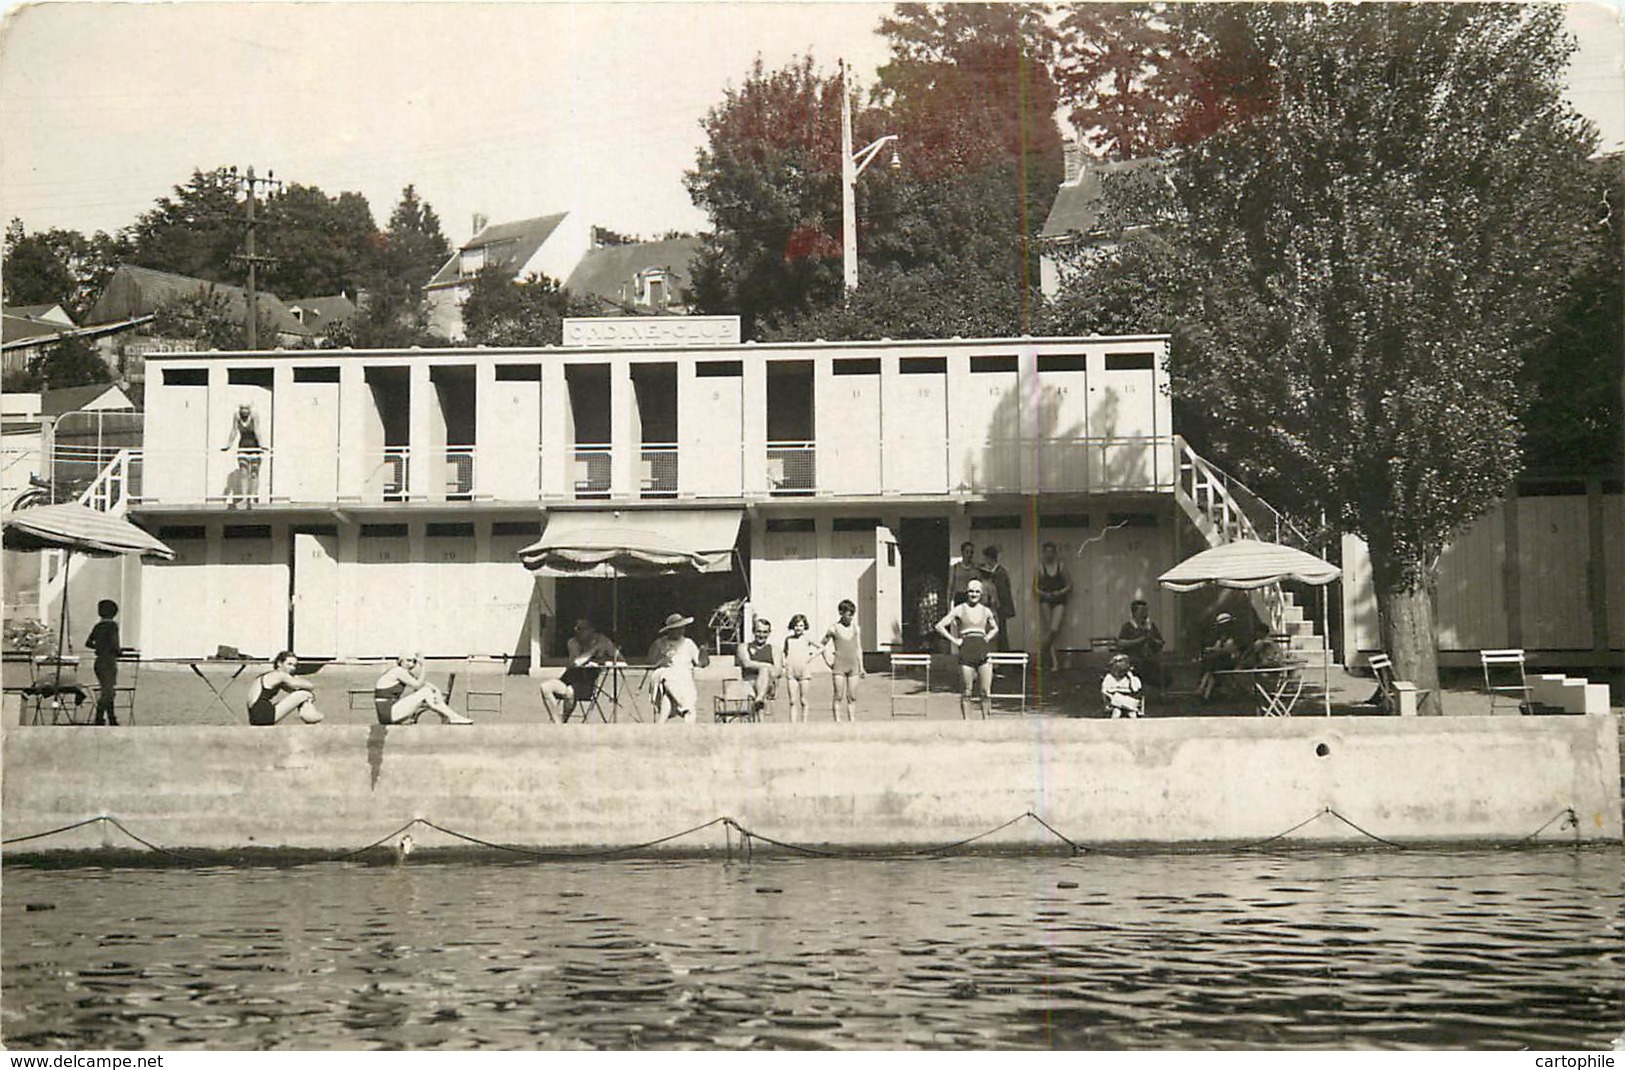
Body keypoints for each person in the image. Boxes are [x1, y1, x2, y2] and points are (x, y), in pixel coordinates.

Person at [937, 578, 1000, 719]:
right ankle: (967, 723)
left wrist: (987, 638)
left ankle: (986, 721)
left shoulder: (986, 611)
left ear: (981, 593)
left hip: (982, 651)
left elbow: (995, 628)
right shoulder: (960, 609)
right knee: (967, 691)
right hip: (966, 651)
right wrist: (955, 641)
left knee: (985, 691)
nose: (974, 594)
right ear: (967, 592)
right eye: (971, 591)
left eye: (977, 591)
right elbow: (940, 626)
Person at [540, 619, 620, 722]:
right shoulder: (573, 642)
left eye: (581, 629)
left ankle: (564, 720)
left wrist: (602, 662)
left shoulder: (604, 642)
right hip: (569, 677)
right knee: (545, 687)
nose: (576, 631)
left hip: (586, 682)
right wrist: (594, 650)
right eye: (576, 628)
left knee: (570, 691)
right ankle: (557, 723)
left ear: (591, 630)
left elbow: (621, 660)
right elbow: (577, 662)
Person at [374, 654, 473, 725]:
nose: (411, 664)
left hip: (389, 714)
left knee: (427, 691)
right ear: (401, 661)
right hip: (388, 714)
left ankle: (449, 716)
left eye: (414, 661)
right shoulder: (398, 671)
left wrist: (436, 690)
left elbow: (423, 684)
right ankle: (451, 717)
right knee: (425, 692)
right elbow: (417, 685)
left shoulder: (403, 673)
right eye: (408, 660)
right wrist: (424, 666)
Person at [647, 612, 709, 724]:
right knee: (669, 678)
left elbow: (701, 663)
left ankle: (660, 723)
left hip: (683, 676)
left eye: (682, 628)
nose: (680, 631)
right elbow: (650, 662)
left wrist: (703, 651)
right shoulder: (660, 643)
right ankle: (686, 707)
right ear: (670, 630)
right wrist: (662, 660)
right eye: (677, 629)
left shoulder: (688, 643)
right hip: (664, 673)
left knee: (669, 696)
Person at [246, 651, 324, 726]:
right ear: (279, 663)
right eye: (289, 664)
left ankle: (309, 714)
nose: (292, 668)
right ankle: (310, 716)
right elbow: (310, 686)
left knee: (303, 694)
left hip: (255, 717)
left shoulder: (269, 675)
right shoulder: (280, 675)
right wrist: (296, 678)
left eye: (294, 665)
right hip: (264, 715)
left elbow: (294, 690)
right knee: (305, 694)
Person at [820, 599, 864, 723]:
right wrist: (828, 662)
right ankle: (838, 722)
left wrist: (862, 666)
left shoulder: (856, 628)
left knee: (852, 696)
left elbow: (859, 647)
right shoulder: (833, 628)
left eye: (852, 614)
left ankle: (852, 722)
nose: (851, 617)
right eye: (849, 614)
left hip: (853, 665)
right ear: (841, 612)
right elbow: (822, 645)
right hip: (839, 665)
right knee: (838, 695)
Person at [1033, 541, 1072, 672]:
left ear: (1055, 553)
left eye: (1051, 552)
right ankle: (1054, 662)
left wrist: (1059, 592)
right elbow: (1035, 588)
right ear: (1043, 553)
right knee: (1049, 630)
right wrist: (1045, 593)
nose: (1049, 555)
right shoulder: (1040, 567)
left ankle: (1040, 654)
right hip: (1045, 600)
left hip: (1059, 599)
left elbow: (1070, 585)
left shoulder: (1061, 566)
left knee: (1053, 630)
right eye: (1046, 552)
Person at [85, 599, 123, 727]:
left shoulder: (98, 626)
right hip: (109, 661)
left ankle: (110, 718)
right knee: (109, 691)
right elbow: (115, 645)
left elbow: (88, 643)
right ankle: (100, 716)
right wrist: (118, 651)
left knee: (106, 689)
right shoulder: (113, 626)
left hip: (99, 661)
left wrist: (99, 647)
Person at [220, 402, 265, 505]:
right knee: (244, 472)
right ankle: (244, 498)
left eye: (246, 409)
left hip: (254, 445)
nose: (244, 411)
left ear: (249, 409)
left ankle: (253, 498)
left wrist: (261, 445)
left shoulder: (254, 415)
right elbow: (234, 430)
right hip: (243, 445)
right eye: (242, 409)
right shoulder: (237, 415)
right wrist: (229, 444)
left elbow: (257, 430)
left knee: (254, 473)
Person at [1116, 599, 1166, 689]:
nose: (1145, 614)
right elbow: (1121, 643)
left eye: (1146, 611)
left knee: (1162, 673)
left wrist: (1153, 640)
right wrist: (1139, 640)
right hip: (1134, 660)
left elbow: (1160, 642)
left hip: (1150, 659)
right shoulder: (1128, 626)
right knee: (1140, 668)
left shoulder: (1151, 626)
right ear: (1134, 613)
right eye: (1142, 611)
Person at [736, 617, 780, 715]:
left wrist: (764, 669)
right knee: (763, 670)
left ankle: (759, 699)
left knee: (764, 672)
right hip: (748, 682)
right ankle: (759, 701)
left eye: (765, 632)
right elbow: (746, 663)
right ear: (753, 631)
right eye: (758, 632)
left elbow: (777, 671)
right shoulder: (743, 647)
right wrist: (767, 665)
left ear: (769, 633)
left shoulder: (774, 649)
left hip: (769, 685)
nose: (761, 635)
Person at [781, 613, 820, 723]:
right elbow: (784, 652)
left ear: (805, 626)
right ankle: (793, 724)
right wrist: (784, 662)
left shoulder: (807, 638)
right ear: (792, 626)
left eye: (801, 625)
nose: (798, 628)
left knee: (804, 700)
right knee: (793, 700)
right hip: (791, 671)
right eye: (796, 625)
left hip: (804, 671)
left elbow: (821, 647)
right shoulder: (788, 639)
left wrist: (811, 656)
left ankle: (804, 723)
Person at [1199, 612, 1245, 701]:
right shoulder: (1222, 638)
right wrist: (1212, 649)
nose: (1223, 628)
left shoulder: (1235, 637)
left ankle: (1202, 688)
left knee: (1212, 666)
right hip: (1221, 662)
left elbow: (1229, 650)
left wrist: (1214, 650)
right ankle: (1205, 695)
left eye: (1225, 625)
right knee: (1213, 669)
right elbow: (1218, 648)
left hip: (1233, 661)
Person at [980, 545, 1015, 652]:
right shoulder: (995, 572)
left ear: (990, 558)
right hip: (996, 607)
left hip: (999, 608)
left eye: (986, 558)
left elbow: (1003, 593)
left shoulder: (1000, 573)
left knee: (1000, 633)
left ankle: (1003, 658)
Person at [1101, 653, 1144, 719]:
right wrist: (1112, 697)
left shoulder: (1133, 678)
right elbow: (1104, 691)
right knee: (1117, 713)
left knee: (1132, 714)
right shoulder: (1109, 678)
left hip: (1129, 703)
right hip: (1115, 703)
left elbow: (1135, 689)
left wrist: (1130, 677)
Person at [946, 542, 980, 607]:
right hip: (959, 597)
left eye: (971, 552)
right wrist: (948, 604)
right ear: (962, 552)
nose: (969, 555)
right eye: (967, 552)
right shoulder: (955, 568)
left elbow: (979, 587)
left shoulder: (975, 569)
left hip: (971, 597)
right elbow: (950, 586)